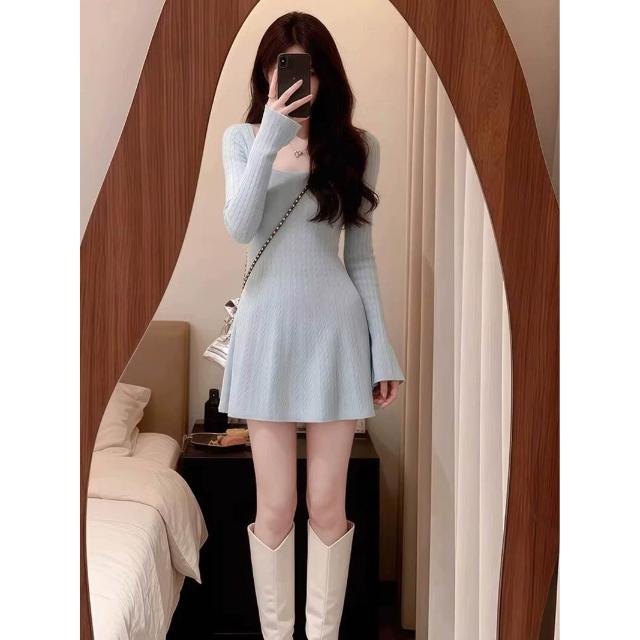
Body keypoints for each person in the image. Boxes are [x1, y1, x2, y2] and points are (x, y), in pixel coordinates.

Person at [218, 11, 406, 639]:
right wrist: (273, 132)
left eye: (308, 68)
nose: (296, 80)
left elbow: (361, 258)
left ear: (327, 75)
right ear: (265, 74)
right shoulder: (243, 139)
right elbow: (240, 226)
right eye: (282, 67)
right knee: (275, 506)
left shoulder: (358, 147)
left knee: (327, 506)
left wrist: (383, 350)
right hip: (266, 334)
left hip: (335, 336)